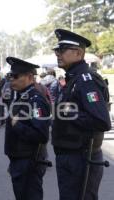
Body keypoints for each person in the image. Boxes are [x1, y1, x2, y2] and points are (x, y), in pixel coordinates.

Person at [51, 29, 111, 200]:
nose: (58, 54)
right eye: (57, 50)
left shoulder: (86, 80)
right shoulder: (73, 79)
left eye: (62, 50)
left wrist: (69, 114)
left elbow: (101, 121)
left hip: (81, 157)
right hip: (70, 155)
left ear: (78, 52)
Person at [4, 57, 51, 200]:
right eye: (10, 76)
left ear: (30, 77)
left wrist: (17, 126)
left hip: (29, 161)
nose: (11, 79)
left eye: (15, 76)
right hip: (19, 159)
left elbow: (42, 135)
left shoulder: (35, 99)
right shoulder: (22, 96)